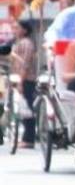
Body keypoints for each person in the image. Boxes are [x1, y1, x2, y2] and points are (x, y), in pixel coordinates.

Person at [10, 18, 36, 147]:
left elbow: (25, 64)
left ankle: (29, 139)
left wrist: (21, 81)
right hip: (20, 79)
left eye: (17, 28)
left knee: (27, 109)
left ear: (24, 30)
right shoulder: (18, 42)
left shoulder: (26, 43)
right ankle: (26, 137)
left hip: (25, 80)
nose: (15, 30)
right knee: (23, 108)